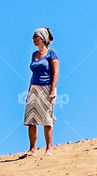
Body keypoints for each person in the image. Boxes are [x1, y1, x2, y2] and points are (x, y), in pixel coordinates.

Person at [23, 27, 59, 156]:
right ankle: (32, 149)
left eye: (35, 37)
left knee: (46, 119)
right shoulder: (34, 55)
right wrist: (29, 90)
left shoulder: (51, 54)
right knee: (31, 119)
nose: (33, 39)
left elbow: (56, 73)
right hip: (34, 88)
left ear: (42, 38)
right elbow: (33, 74)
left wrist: (53, 89)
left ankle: (49, 148)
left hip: (47, 87)